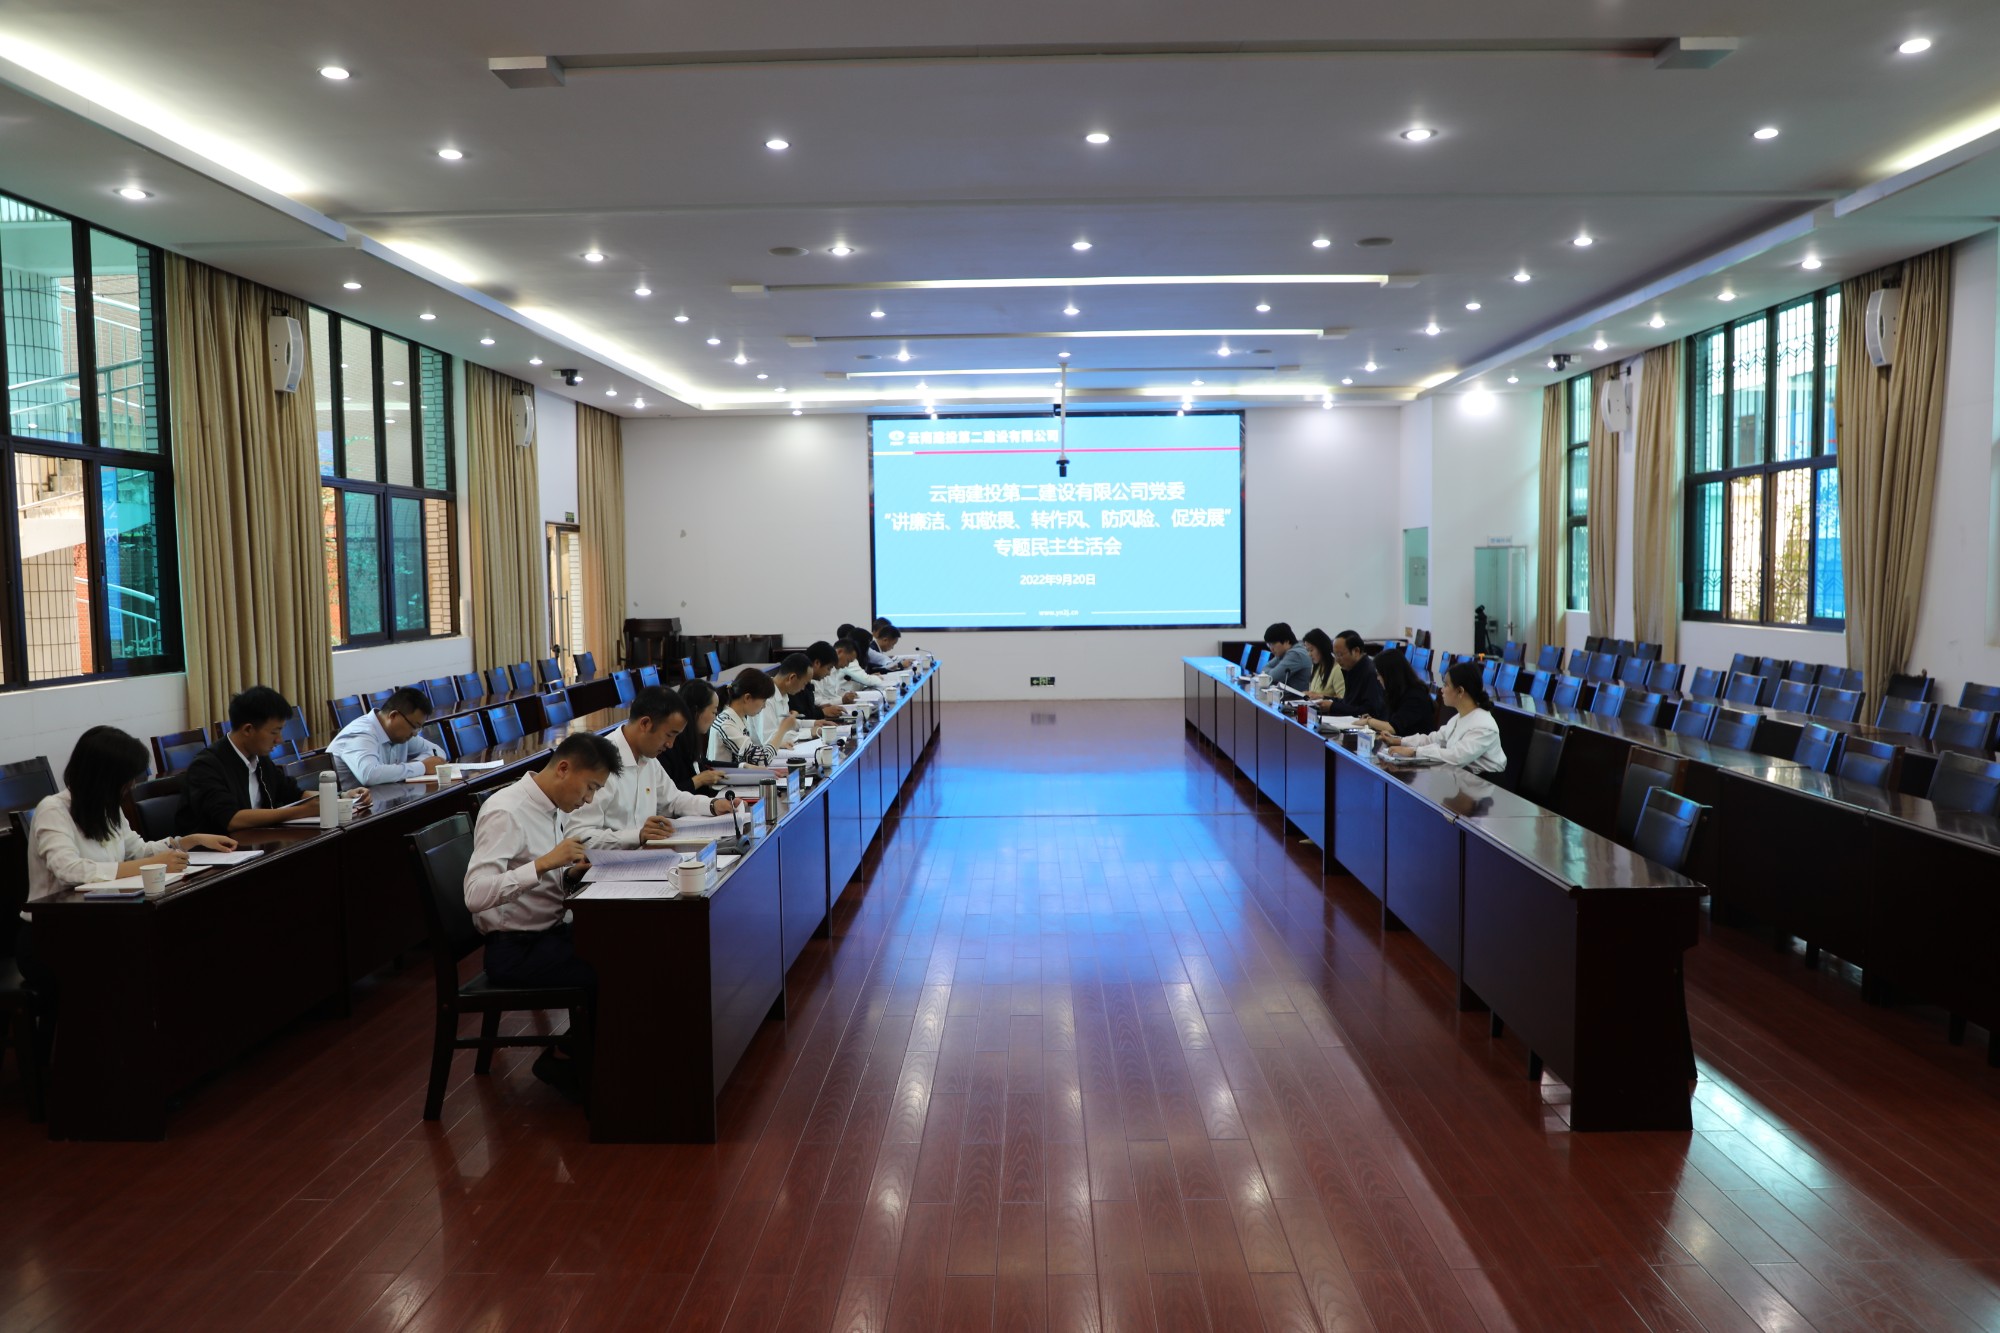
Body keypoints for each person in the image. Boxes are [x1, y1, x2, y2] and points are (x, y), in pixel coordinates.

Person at [464, 730, 622, 1095]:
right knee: (608, 971)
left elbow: (539, 880)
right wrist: (544, 864)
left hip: (547, 934)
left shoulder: (550, 806)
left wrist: (568, 874)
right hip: (514, 950)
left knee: (620, 949)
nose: (589, 799)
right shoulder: (507, 811)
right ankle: (570, 1062)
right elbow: (474, 894)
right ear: (564, 768)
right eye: (590, 788)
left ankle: (595, 1059)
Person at [23, 726, 237, 995]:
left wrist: (189, 841)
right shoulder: (53, 810)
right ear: (103, 776)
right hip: (53, 935)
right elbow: (70, 870)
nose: (132, 785)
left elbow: (139, 850)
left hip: (103, 924)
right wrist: (147, 867)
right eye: (126, 778)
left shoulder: (107, 806)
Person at [568, 687, 736, 849]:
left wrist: (713, 805)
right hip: (608, 864)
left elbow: (673, 800)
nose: (670, 745)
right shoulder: (599, 761)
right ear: (645, 724)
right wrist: (637, 836)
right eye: (669, 735)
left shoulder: (648, 758)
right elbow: (579, 836)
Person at [181, 685, 357, 834]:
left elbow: (293, 793)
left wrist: (341, 797)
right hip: (223, 853)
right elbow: (231, 819)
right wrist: (302, 811)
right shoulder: (206, 766)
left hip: (260, 842)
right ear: (248, 730)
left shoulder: (259, 758)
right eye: (274, 732)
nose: (279, 740)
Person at [1381, 662, 1506, 773]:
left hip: (1487, 784)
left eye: (1446, 685)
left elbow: (1457, 756)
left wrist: (1414, 751)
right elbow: (1434, 739)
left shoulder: (1484, 726)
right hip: (1462, 776)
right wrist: (1399, 741)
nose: (1442, 689)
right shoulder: (1459, 717)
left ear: (1460, 691)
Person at [328, 686, 447, 786]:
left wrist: (415, 765)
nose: (415, 733)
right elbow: (370, 775)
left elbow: (437, 751)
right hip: (346, 805)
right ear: (393, 715)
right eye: (414, 726)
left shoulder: (400, 734)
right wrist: (422, 767)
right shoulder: (361, 733)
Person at [710, 668, 793, 765]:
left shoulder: (738, 718)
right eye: (763, 701)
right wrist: (782, 730)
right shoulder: (726, 724)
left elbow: (751, 753)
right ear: (747, 698)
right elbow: (761, 760)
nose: (764, 706)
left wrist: (776, 744)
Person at [665, 680, 731, 794]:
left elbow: (705, 763)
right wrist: (699, 780)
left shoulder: (691, 739)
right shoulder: (669, 746)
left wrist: (742, 766)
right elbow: (667, 796)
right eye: (714, 712)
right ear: (696, 712)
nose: (715, 718)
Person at [1360, 649, 1436, 739]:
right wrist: (1374, 721)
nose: (1378, 678)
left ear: (1390, 675)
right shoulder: (1397, 692)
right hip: (1399, 742)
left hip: (1415, 746)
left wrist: (1369, 721)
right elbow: (1389, 721)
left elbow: (1393, 728)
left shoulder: (1415, 696)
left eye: (1379, 674)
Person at [1319, 630, 1386, 718]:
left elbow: (1371, 711)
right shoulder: (1352, 668)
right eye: (1334, 655)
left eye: (1340, 655)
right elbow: (1349, 702)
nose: (1337, 660)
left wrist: (1333, 707)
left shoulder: (1370, 672)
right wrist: (1324, 698)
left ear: (1356, 651)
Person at [807, 640, 855, 717]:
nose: (829, 673)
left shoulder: (814, 677)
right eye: (828, 668)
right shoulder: (806, 681)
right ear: (817, 663)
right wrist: (822, 711)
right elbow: (803, 713)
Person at [1262, 623, 1313, 693]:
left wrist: (1269, 672)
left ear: (1286, 641)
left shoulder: (1296, 654)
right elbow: (1264, 669)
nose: (1271, 648)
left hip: (1298, 697)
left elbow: (1273, 677)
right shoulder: (1284, 652)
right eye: (1269, 644)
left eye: (1273, 644)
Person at [1303, 628, 1346, 705]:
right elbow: (1314, 693)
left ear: (1321, 648)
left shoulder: (1337, 669)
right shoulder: (1315, 667)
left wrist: (1321, 696)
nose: (1309, 654)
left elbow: (1343, 698)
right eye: (1308, 650)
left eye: (1311, 650)